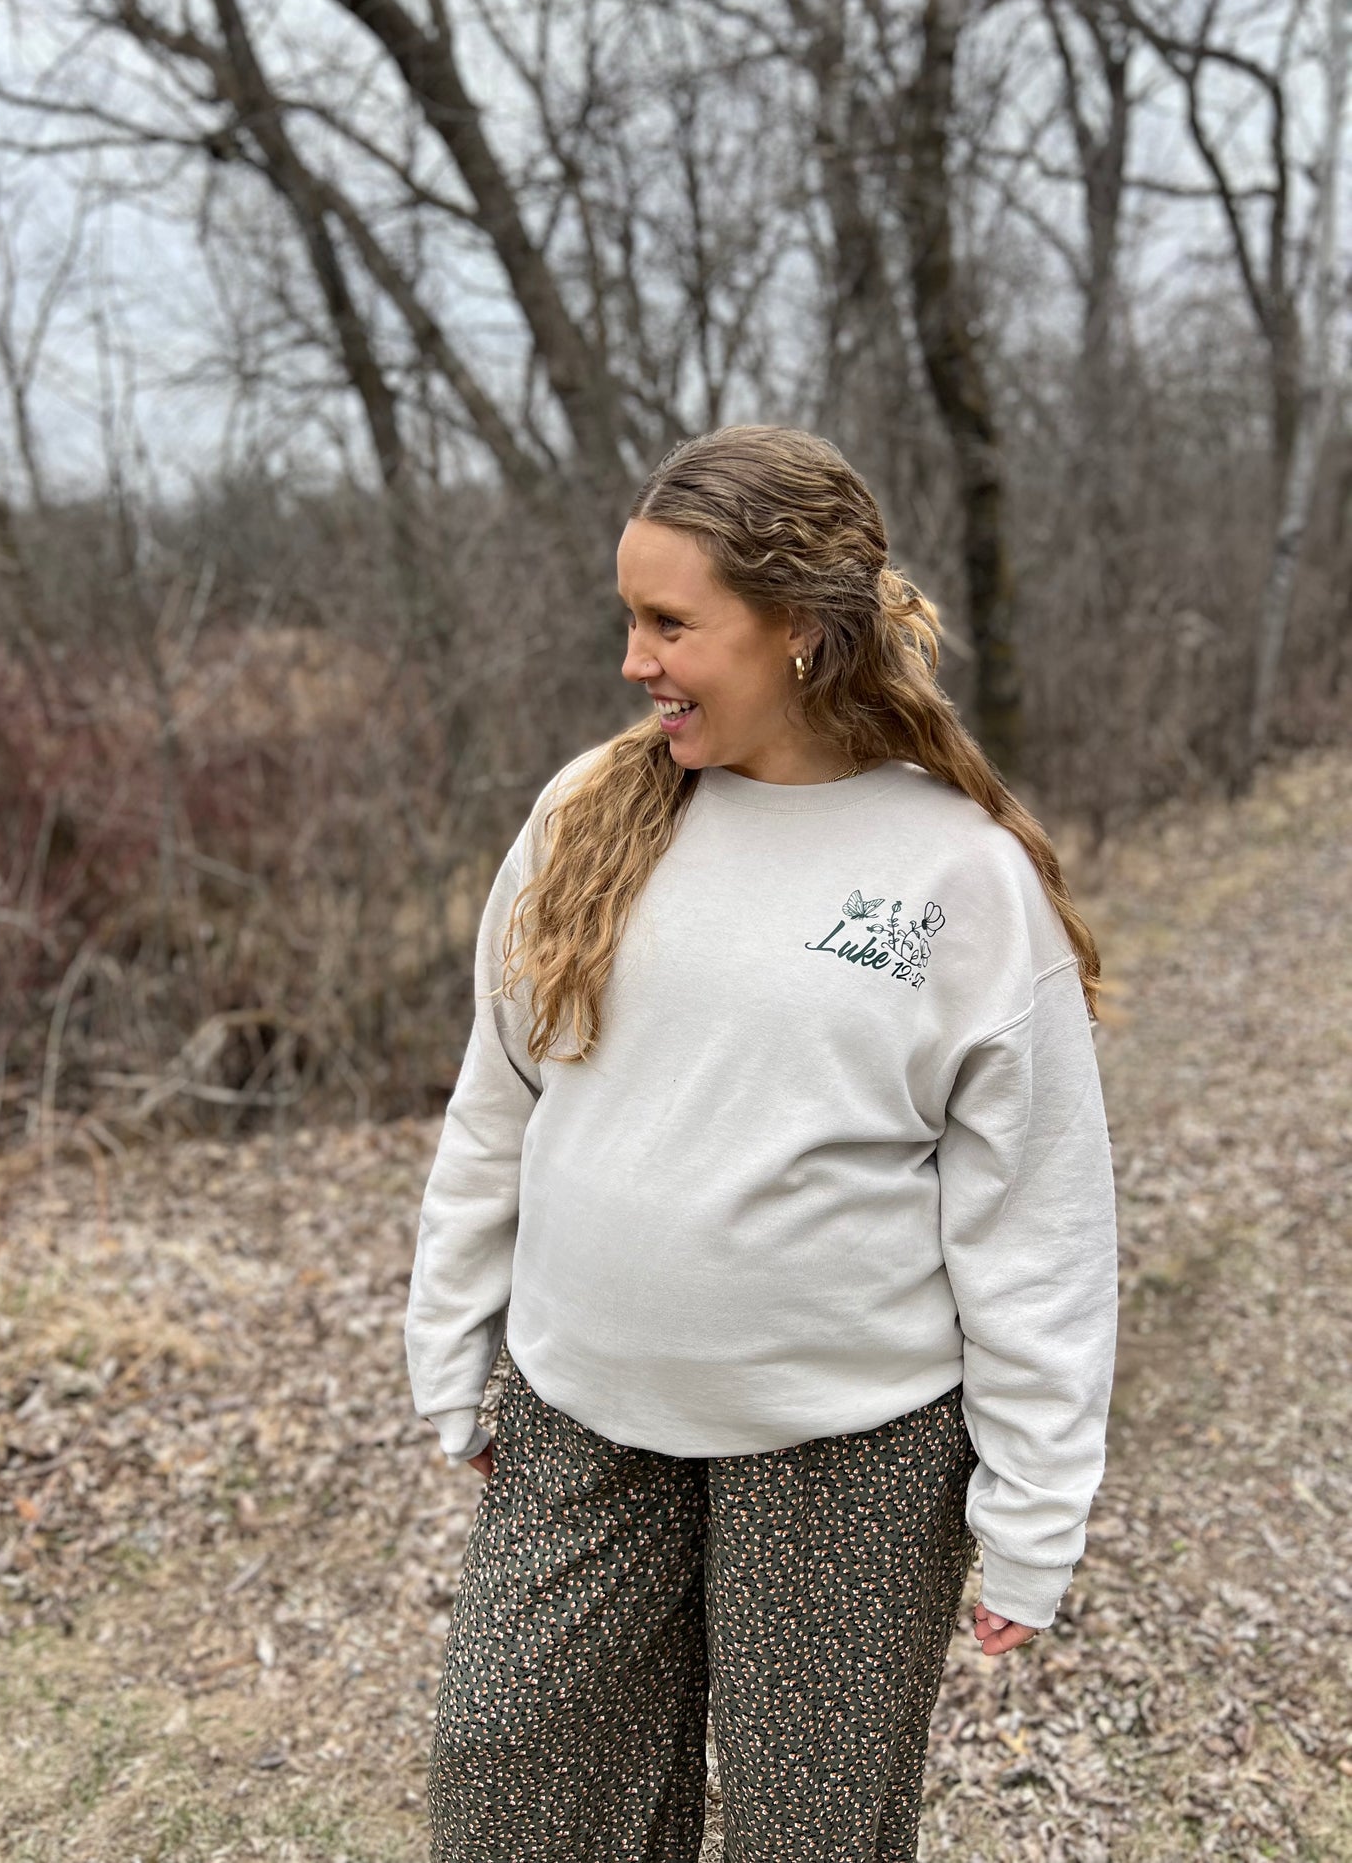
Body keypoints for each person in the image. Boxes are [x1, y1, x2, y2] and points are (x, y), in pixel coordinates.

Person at [403, 424, 1119, 1862]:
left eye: (671, 623)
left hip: (849, 1454)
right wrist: (451, 1339)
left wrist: (1034, 1511)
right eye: (629, 617)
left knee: (812, 1835)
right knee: (507, 1785)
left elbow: (1035, 1219)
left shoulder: (955, 875)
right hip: (581, 1413)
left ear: (797, 628)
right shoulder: (585, 818)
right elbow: (500, 1101)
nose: (633, 659)